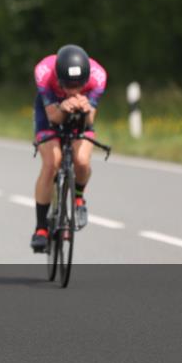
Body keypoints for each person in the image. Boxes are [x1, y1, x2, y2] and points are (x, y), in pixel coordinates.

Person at [30, 44, 107, 252]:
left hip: (81, 115)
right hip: (50, 113)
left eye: (78, 85)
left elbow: (90, 119)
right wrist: (62, 107)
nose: (73, 91)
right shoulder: (44, 72)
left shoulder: (98, 76)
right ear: (58, 78)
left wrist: (85, 107)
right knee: (51, 163)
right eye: (67, 86)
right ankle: (41, 228)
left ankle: (79, 198)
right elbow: (53, 117)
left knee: (81, 160)